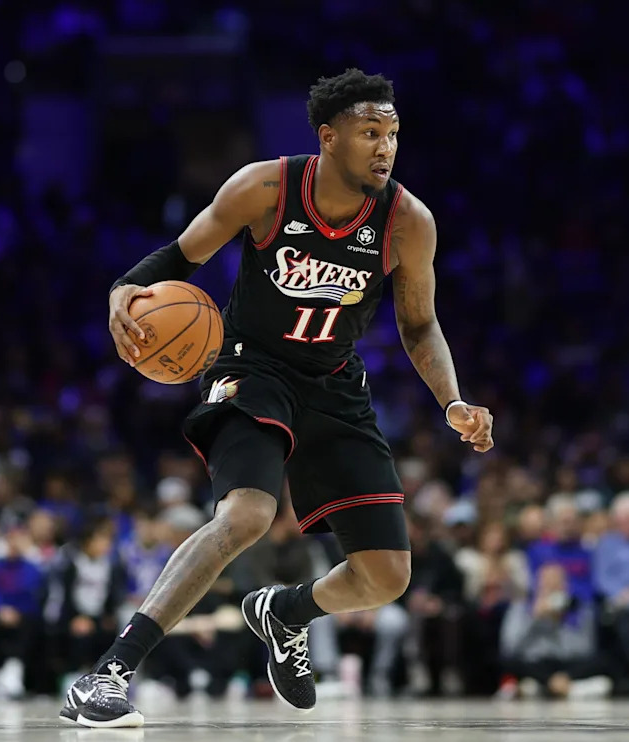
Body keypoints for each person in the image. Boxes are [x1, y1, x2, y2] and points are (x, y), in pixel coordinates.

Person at [60, 68, 495, 728]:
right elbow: (180, 257)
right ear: (329, 137)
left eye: (393, 134)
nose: (385, 147)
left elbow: (418, 323)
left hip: (334, 383)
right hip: (253, 365)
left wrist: (452, 401)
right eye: (369, 133)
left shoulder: (408, 222)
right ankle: (107, 674)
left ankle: (283, 612)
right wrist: (126, 288)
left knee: (386, 577)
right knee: (246, 517)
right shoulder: (265, 188)